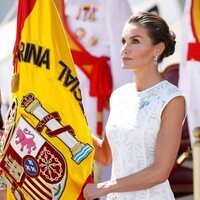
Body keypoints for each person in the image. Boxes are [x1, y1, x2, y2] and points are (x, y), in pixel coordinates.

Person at [83, 12, 186, 200]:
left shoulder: (172, 99)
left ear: (158, 49)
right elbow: (106, 156)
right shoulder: (119, 96)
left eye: (135, 41)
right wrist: (71, 125)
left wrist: (105, 187)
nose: (124, 49)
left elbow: (160, 171)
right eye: (123, 41)